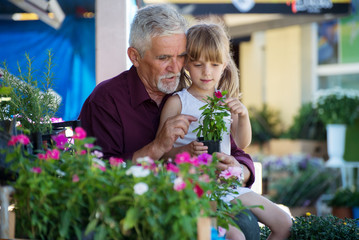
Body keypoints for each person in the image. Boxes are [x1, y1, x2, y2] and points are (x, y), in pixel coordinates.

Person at [78, 4, 259, 239]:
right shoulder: (106, 100)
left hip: (193, 202)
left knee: (247, 223)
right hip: (134, 215)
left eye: (181, 56)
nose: (176, 68)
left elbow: (233, 147)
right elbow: (98, 174)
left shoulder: (192, 92)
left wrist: (240, 170)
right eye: (164, 58)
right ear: (135, 56)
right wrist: (156, 148)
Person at [157, 21, 292, 240]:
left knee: (284, 223)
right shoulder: (178, 102)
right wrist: (187, 151)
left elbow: (242, 142)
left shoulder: (225, 102)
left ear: (225, 64)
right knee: (236, 237)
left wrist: (243, 115)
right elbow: (162, 154)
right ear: (187, 64)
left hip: (226, 184)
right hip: (193, 187)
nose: (207, 72)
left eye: (214, 64)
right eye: (198, 64)